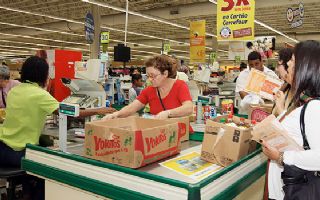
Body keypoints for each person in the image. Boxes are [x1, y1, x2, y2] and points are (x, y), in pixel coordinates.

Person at [0, 56, 116, 168]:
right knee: (51, 162)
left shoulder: (14, 90)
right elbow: (68, 112)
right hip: (17, 152)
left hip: (3, 146)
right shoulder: (39, 94)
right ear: (43, 75)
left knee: (46, 142)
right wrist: (99, 110)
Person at [262, 40, 320, 200]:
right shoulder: (305, 102)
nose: (289, 65)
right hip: (287, 190)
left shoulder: (314, 107)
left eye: (293, 61)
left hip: (299, 190)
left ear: (305, 67)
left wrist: (280, 156)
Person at [103, 55, 193, 120]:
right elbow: (133, 107)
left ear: (165, 74)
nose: (150, 79)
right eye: (148, 76)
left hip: (181, 134)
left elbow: (188, 108)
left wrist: (168, 113)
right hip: (160, 135)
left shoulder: (180, 86)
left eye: (153, 76)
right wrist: (116, 114)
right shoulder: (149, 90)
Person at [272, 48, 294, 116]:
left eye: (278, 65)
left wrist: (280, 108)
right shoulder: (285, 88)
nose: (276, 69)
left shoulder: (301, 94)